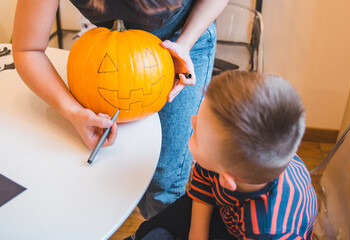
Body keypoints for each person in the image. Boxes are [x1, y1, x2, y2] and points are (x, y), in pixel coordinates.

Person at [12, 0, 229, 219]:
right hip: (110, 50)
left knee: (164, 178)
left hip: (183, 39)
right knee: (116, 162)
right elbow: (28, 48)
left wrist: (185, 43)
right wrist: (74, 113)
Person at [126, 70, 318, 240]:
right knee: (149, 231)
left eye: (198, 133)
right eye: (198, 116)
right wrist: (197, 234)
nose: (192, 120)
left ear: (226, 179)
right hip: (226, 211)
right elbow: (204, 181)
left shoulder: (271, 229)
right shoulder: (225, 156)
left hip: (248, 227)